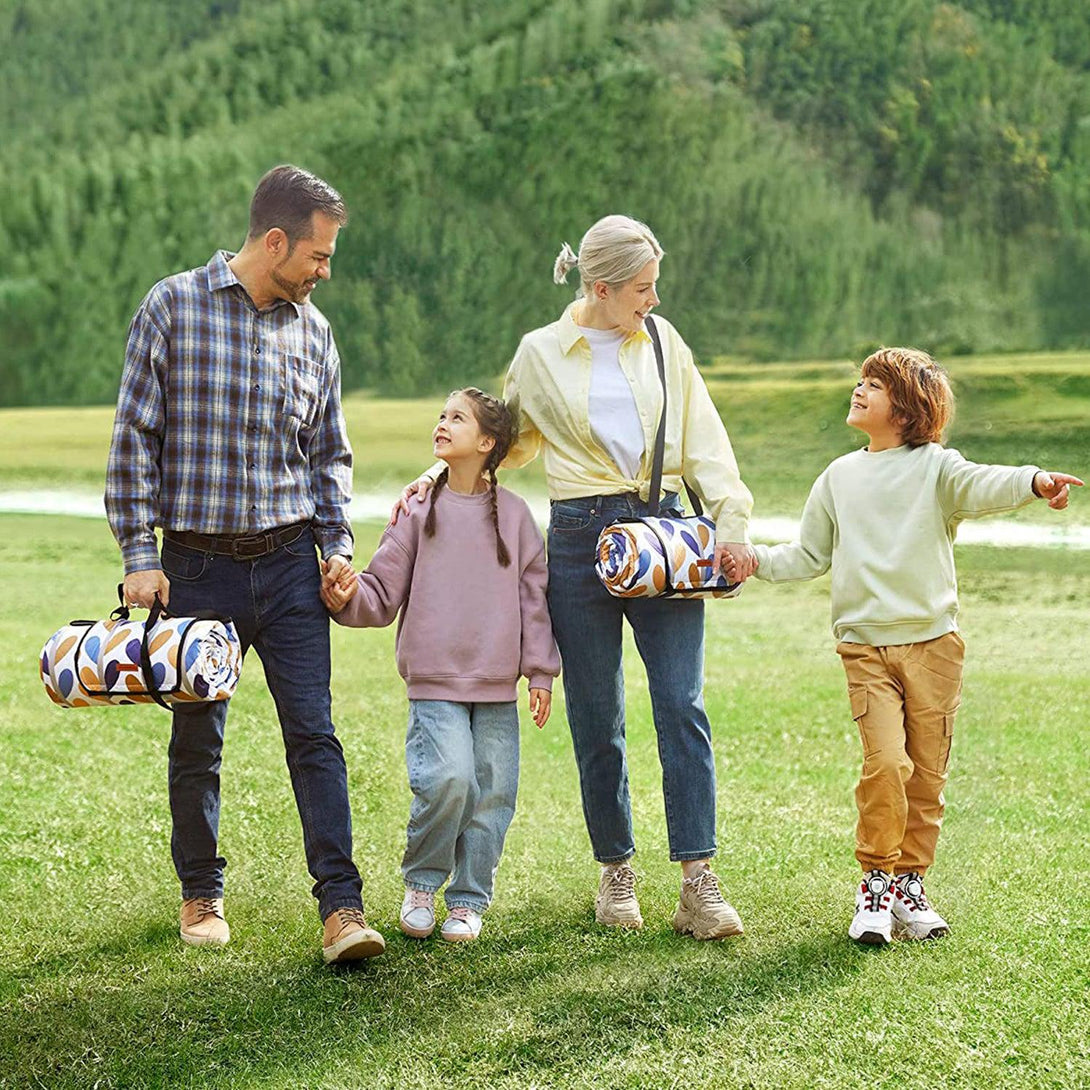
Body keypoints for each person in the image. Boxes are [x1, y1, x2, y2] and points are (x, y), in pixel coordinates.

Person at [395, 216, 755, 938]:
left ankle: (697, 880)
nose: (653, 300)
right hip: (578, 538)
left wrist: (734, 526)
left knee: (681, 702)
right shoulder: (540, 354)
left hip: (660, 532)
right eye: (642, 289)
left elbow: (705, 438)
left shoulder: (663, 341)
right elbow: (505, 440)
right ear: (600, 287)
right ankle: (615, 871)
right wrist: (435, 477)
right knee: (597, 715)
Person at [105, 164, 384, 964]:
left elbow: (329, 455)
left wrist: (336, 550)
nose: (325, 272)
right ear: (274, 241)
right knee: (198, 741)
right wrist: (139, 556)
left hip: (294, 564)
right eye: (319, 256)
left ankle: (342, 909)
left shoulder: (315, 331)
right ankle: (201, 891)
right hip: (197, 570)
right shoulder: (172, 307)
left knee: (315, 736)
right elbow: (134, 442)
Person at [752, 347, 1082, 945]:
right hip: (866, 649)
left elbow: (985, 482)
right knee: (887, 763)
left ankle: (910, 885)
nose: (858, 391)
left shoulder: (936, 468)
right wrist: (751, 561)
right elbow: (807, 555)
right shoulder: (837, 477)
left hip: (933, 647)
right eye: (860, 380)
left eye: (873, 385)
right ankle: (875, 884)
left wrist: (1036, 481)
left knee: (927, 776)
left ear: (905, 409)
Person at [322, 388, 559, 942]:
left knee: (493, 792)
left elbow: (535, 602)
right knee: (448, 779)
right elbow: (380, 590)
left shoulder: (519, 518)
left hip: (497, 685)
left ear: (487, 442)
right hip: (434, 679)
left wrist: (541, 673)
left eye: (458, 418)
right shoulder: (416, 510)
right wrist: (344, 598)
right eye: (441, 414)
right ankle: (422, 883)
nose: (443, 423)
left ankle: (469, 898)